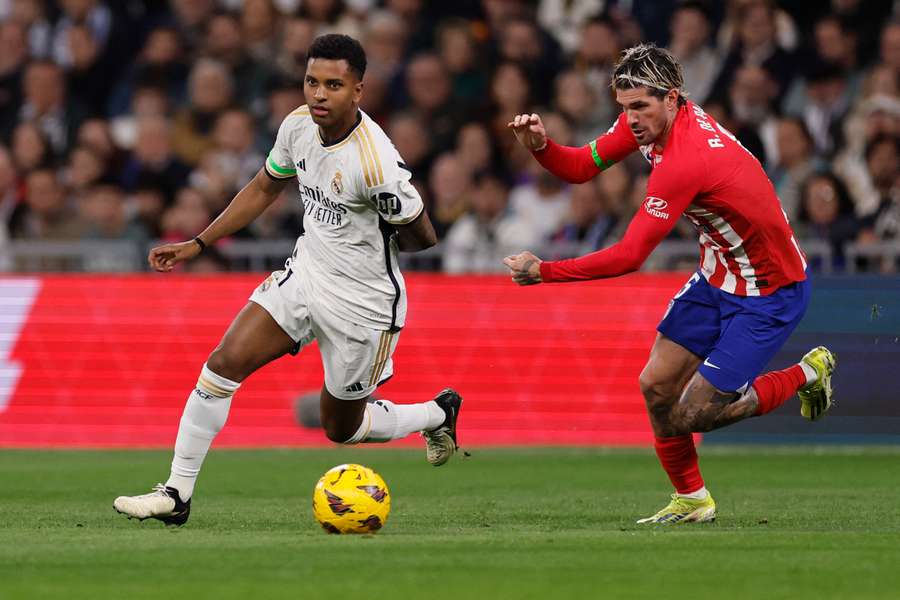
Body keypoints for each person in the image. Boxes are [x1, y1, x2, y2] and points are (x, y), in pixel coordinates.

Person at [113, 34, 463, 527]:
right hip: (306, 275)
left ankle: (436, 414)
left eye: (334, 85)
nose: (319, 94)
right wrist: (199, 243)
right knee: (221, 365)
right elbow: (263, 187)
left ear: (358, 91)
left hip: (362, 305)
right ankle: (177, 493)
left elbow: (423, 235)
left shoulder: (375, 163)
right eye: (312, 81)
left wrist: (379, 229)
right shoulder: (297, 126)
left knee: (341, 428)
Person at [505, 44, 836, 525]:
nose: (631, 118)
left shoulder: (687, 159)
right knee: (656, 388)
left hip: (769, 293)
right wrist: (541, 146)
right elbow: (580, 167)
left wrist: (545, 272)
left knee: (695, 414)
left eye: (640, 106)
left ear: (672, 97)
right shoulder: (651, 120)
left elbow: (629, 256)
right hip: (717, 274)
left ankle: (807, 373)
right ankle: (693, 500)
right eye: (624, 107)